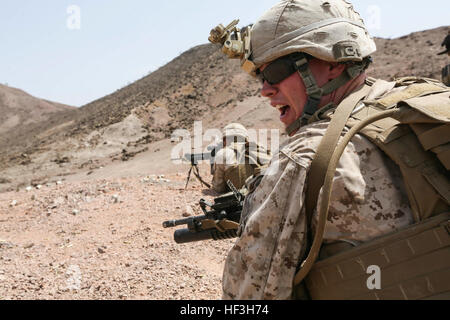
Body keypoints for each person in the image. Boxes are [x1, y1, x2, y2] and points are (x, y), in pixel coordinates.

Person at [212, 0, 429, 300]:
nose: (264, 90)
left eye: (274, 71)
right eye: (260, 77)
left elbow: (249, 298)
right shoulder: (423, 106)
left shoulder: (304, 159)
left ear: (333, 63)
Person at [211, 123, 271, 193]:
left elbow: (219, 188)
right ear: (245, 138)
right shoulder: (260, 148)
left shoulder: (223, 153)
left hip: (244, 198)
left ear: (224, 140)